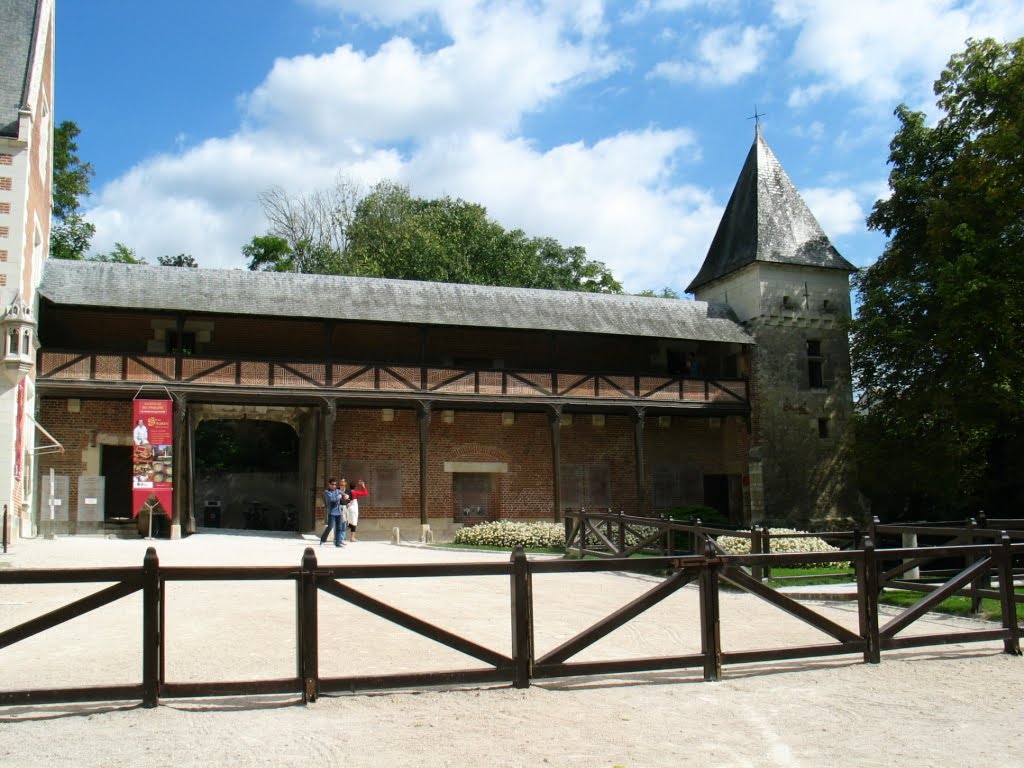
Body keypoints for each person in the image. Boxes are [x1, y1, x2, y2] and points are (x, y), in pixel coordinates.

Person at [319, 478, 348, 547]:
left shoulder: (337, 491)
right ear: (329, 484)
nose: (334, 486)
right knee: (330, 527)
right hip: (332, 512)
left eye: (335, 484)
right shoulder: (326, 492)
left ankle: (337, 542)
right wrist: (339, 497)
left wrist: (346, 496)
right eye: (332, 484)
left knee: (339, 527)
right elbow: (332, 500)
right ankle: (323, 539)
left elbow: (344, 494)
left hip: (338, 512)